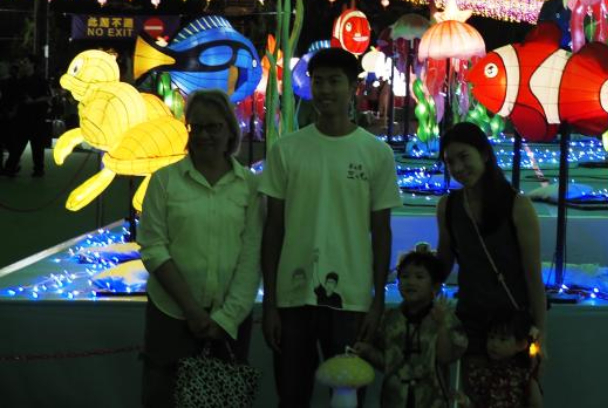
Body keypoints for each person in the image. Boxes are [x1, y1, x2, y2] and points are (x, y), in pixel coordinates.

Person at [260, 47, 402, 406]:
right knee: (292, 397)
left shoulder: (376, 153)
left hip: (351, 300)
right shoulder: (286, 149)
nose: (325, 90)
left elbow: (381, 232)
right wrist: (271, 303)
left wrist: (376, 302)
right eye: (318, 81)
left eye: (334, 81)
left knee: (347, 399)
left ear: (353, 87)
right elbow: (273, 229)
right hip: (293, 298)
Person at [138, 90, 263, 406]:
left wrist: (227, 317)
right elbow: (153, 247)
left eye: (214, 127)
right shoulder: (164, 181)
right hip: (171, 314)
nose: (204, 135)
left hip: (230, 319)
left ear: (230, 130)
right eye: (197, 127)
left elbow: (251, 255)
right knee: (161, 396)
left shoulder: (249, 185)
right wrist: (191, 310)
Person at [435, 122, 546, 408]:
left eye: (464, 157)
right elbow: (443, 262)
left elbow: (533, 276)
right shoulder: (448, 206)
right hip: (470, 321)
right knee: (473, 396)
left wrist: (540, 334)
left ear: (484, 154)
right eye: (450, 162)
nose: (458, 168)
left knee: (511, 396)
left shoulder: (517, 205)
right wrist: (419, 270)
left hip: (510, 327)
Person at [353, 249, 464, 408]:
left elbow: (446, 358)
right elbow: (388, 363)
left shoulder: (445, 318)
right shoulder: (389, 319)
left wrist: (442, 326)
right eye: (405, 276)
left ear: (436, 286)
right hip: (394, 400)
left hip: (432, 401)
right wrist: (368, 351)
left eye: (419, 277)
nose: (411, 282)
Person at [464, 310, 543, 408]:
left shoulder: (523, 374)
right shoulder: (480, 371)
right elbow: (475, 400)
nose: (494, 344)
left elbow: (536, 404)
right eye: (491, 337)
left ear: (520, 344)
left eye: (503, 339)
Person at [1, 58, 51, 177]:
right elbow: (16, 98)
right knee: (18, 145)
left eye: (26, 62)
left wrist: (33, 101)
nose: (23, 64)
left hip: (37, 117)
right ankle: (10, 167)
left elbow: (48, 97)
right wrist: (13, 111)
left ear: (32, 64)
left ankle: (38, 169)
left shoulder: (41, 80)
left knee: (37, 145)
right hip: (22, 117)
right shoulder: (20, 81)